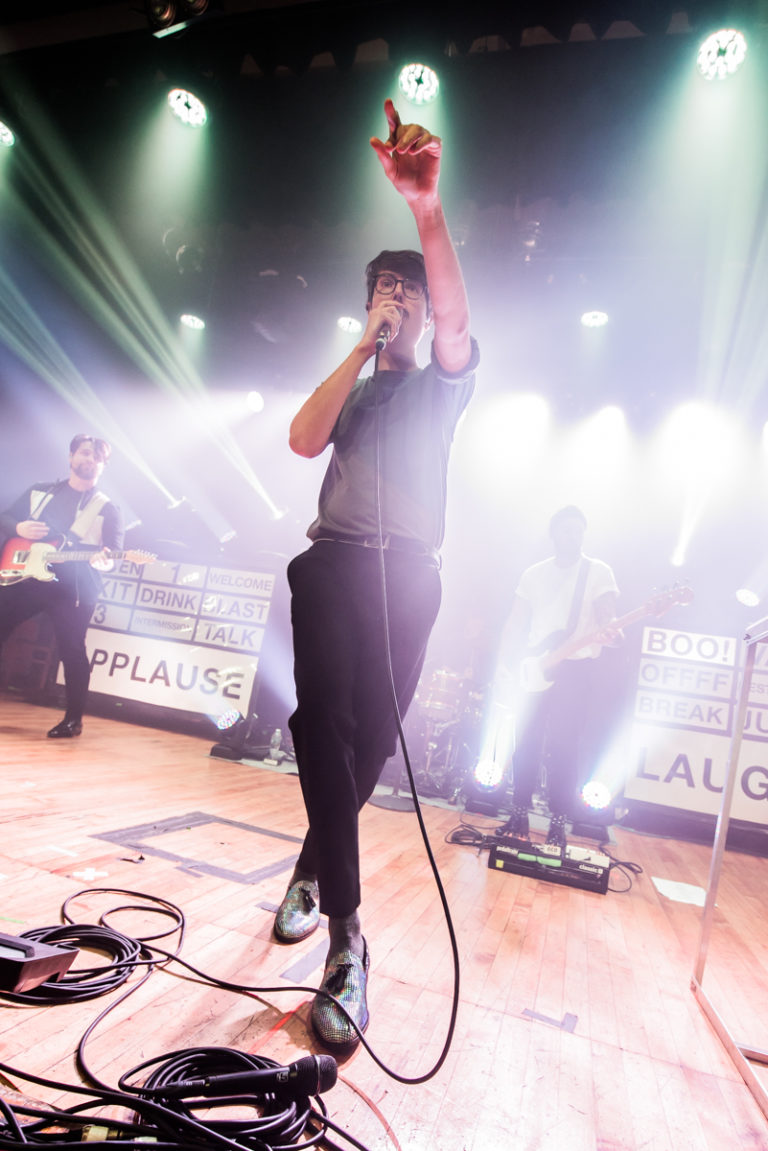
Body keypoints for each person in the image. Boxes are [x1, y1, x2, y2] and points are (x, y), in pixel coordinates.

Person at [275, 98, 478, 1052]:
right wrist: (360, 343)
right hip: (334, 564)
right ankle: (348, 942)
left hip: (412, 578)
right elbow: (299, 439)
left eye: (408, 295)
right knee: (323, 723)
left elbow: (458, 320)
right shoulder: (352, 384)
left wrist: (426, 212)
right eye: (382, 293)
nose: (397, 304)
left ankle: (312, 864)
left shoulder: (443, 384)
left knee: (368, 750)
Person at [497, 506, 619, 848]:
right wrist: (505, 664)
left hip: (576, 669)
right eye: (567, 530)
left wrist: (612, 631)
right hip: (536, 665)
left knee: (564, 747)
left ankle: (558, 822)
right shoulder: (534, 574)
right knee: (526, 742)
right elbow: (515, 621)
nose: (573, 536)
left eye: (579, 530)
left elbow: (608, 616)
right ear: (553, 534)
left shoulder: (597, 571)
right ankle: (518, 813)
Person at [0, 434, 124, 738]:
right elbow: (5, 517)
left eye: (97, 457)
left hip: (73, 588)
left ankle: (73, 720)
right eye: (84, 453)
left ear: (104, 466)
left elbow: (114, 553)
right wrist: (18, 527)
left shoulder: (107, 508)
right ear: (71, 457)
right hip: (26, 578)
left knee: (72, 649)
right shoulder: (40, 492)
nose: (89, 459)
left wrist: (105, 562)